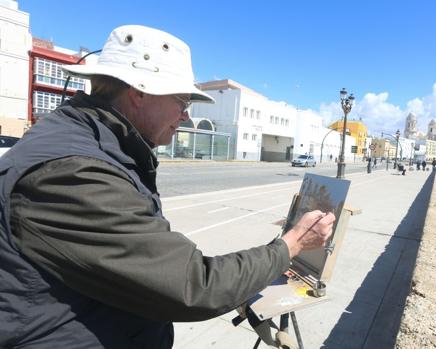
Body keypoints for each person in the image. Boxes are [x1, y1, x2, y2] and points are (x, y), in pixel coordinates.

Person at [0, 25, 335, 348]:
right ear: (140, 92)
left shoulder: (95, 146)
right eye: (182, 101)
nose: (186, 115)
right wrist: (290, 245)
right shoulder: (73, 172)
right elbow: (195, 286)